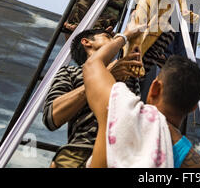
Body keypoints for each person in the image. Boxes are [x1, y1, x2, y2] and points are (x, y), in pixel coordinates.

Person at [82, 15, 200, 168]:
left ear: (154, 88)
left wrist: (126, 35)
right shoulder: (194, 163)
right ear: (193, 107)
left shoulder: (121, 107)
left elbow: (92, 65)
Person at [42, 28, 143, 168]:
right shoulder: (71, 72)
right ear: (86, 42)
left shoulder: (128, 76)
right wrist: (104, 75)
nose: (115, 40)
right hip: (80, 153)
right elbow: (52, 118)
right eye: (108, 36)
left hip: (120, 158)